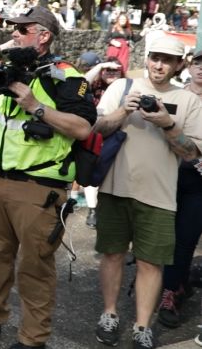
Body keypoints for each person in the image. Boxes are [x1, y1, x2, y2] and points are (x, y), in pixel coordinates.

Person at [0, 6, 97, 349]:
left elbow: (82, 128)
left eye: (22, 29)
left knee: (35, 267)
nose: (14, 32)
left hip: (37, 188)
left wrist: (36, 106)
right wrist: (3, 48)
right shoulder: (4, 68)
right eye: (13, 29)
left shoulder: (66, 76)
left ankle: (33, 338)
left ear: (44, 36)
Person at [92, 36, 202, 349]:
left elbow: (192, 154)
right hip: (115, 188)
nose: (159, 65)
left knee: (151, 263)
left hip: (160, 195)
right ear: (147, 57)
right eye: (155, 57)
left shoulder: (188, 100)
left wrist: (167, 124)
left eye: (167, 60)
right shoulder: (122, 87)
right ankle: (109, 313)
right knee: (112, 253)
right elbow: (95, 129)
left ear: (179, 64)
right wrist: (122, 112)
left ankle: (142, 326)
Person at [156, 50, 202, 332]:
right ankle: (167, 281)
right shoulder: (173, 95)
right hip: (166, 176)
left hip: (197, 183)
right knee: (160, 236)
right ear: (188, 66)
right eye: (198, 63)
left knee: (185, 239)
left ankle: (171, 291)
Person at [76, 55, 124, 229]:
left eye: (115, 69)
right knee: (93, 171)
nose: (111, 73)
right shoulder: (92, 87)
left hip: (119, 138)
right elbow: (80, 84)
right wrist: (101, 65)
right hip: (95, 136)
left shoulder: (128, 88)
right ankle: (92, 210)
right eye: (107, 70)